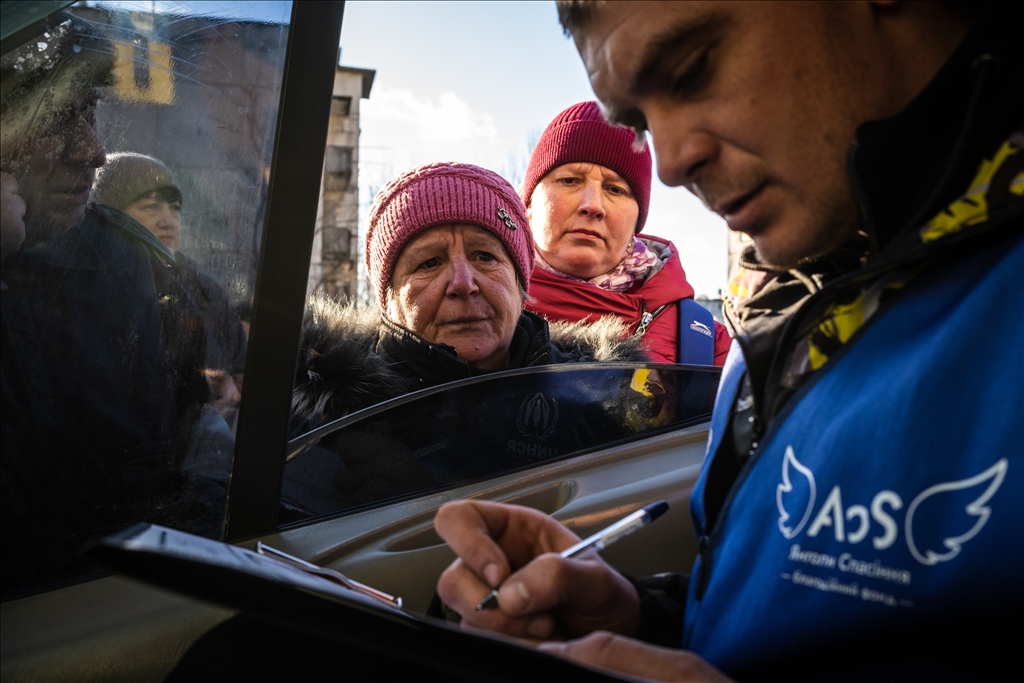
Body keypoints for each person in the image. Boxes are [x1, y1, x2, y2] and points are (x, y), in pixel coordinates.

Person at [435, 2, 1022, 681]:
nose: (674, 161)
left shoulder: (714, 327)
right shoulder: (775, 304)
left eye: (693, 68)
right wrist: (639, 619)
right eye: (640, 123)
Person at [0, 14, 190, 597]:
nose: (93, 150)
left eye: (92, 112)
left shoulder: (115, 258)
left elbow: (143, 475)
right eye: (57, 117)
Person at [289, 161, 646, 436]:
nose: (463, 283)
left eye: (485, 257)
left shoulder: (604, 397)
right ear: (387, 297)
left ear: (521, 283)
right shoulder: (316, 420)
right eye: (429, 262)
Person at [522, 100, 731, 366]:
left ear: (637, 222)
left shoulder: (708, 344)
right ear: (528, 205)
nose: (593, 205)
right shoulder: (468, 315)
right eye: (570, 180)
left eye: (615, 189)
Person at [92, 152, 248, 421]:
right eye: (151, 207)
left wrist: (231, 391)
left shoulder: (206, 292)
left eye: (175, 207)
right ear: (112, 215)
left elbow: (243, 373)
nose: (168, 220)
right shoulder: (95, 290)